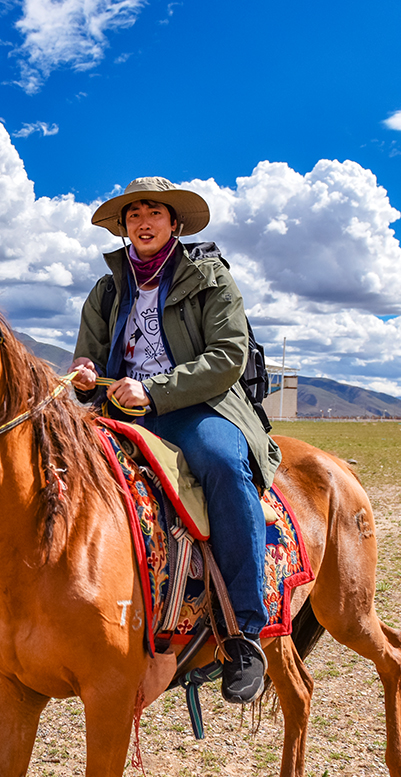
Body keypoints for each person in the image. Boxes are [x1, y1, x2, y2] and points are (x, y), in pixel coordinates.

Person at [71, 176, 282, 705]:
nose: (144, 222)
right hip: (119, 408)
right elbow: (90, 355)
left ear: (174, 224)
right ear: (124, 228)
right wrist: (84, 373)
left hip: (198, 406)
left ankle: (243, 634)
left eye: (155, 214)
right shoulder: (107, 289)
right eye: (134, 215)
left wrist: (156, 390)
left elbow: (227, 355)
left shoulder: (209, 278)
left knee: (220, 463)